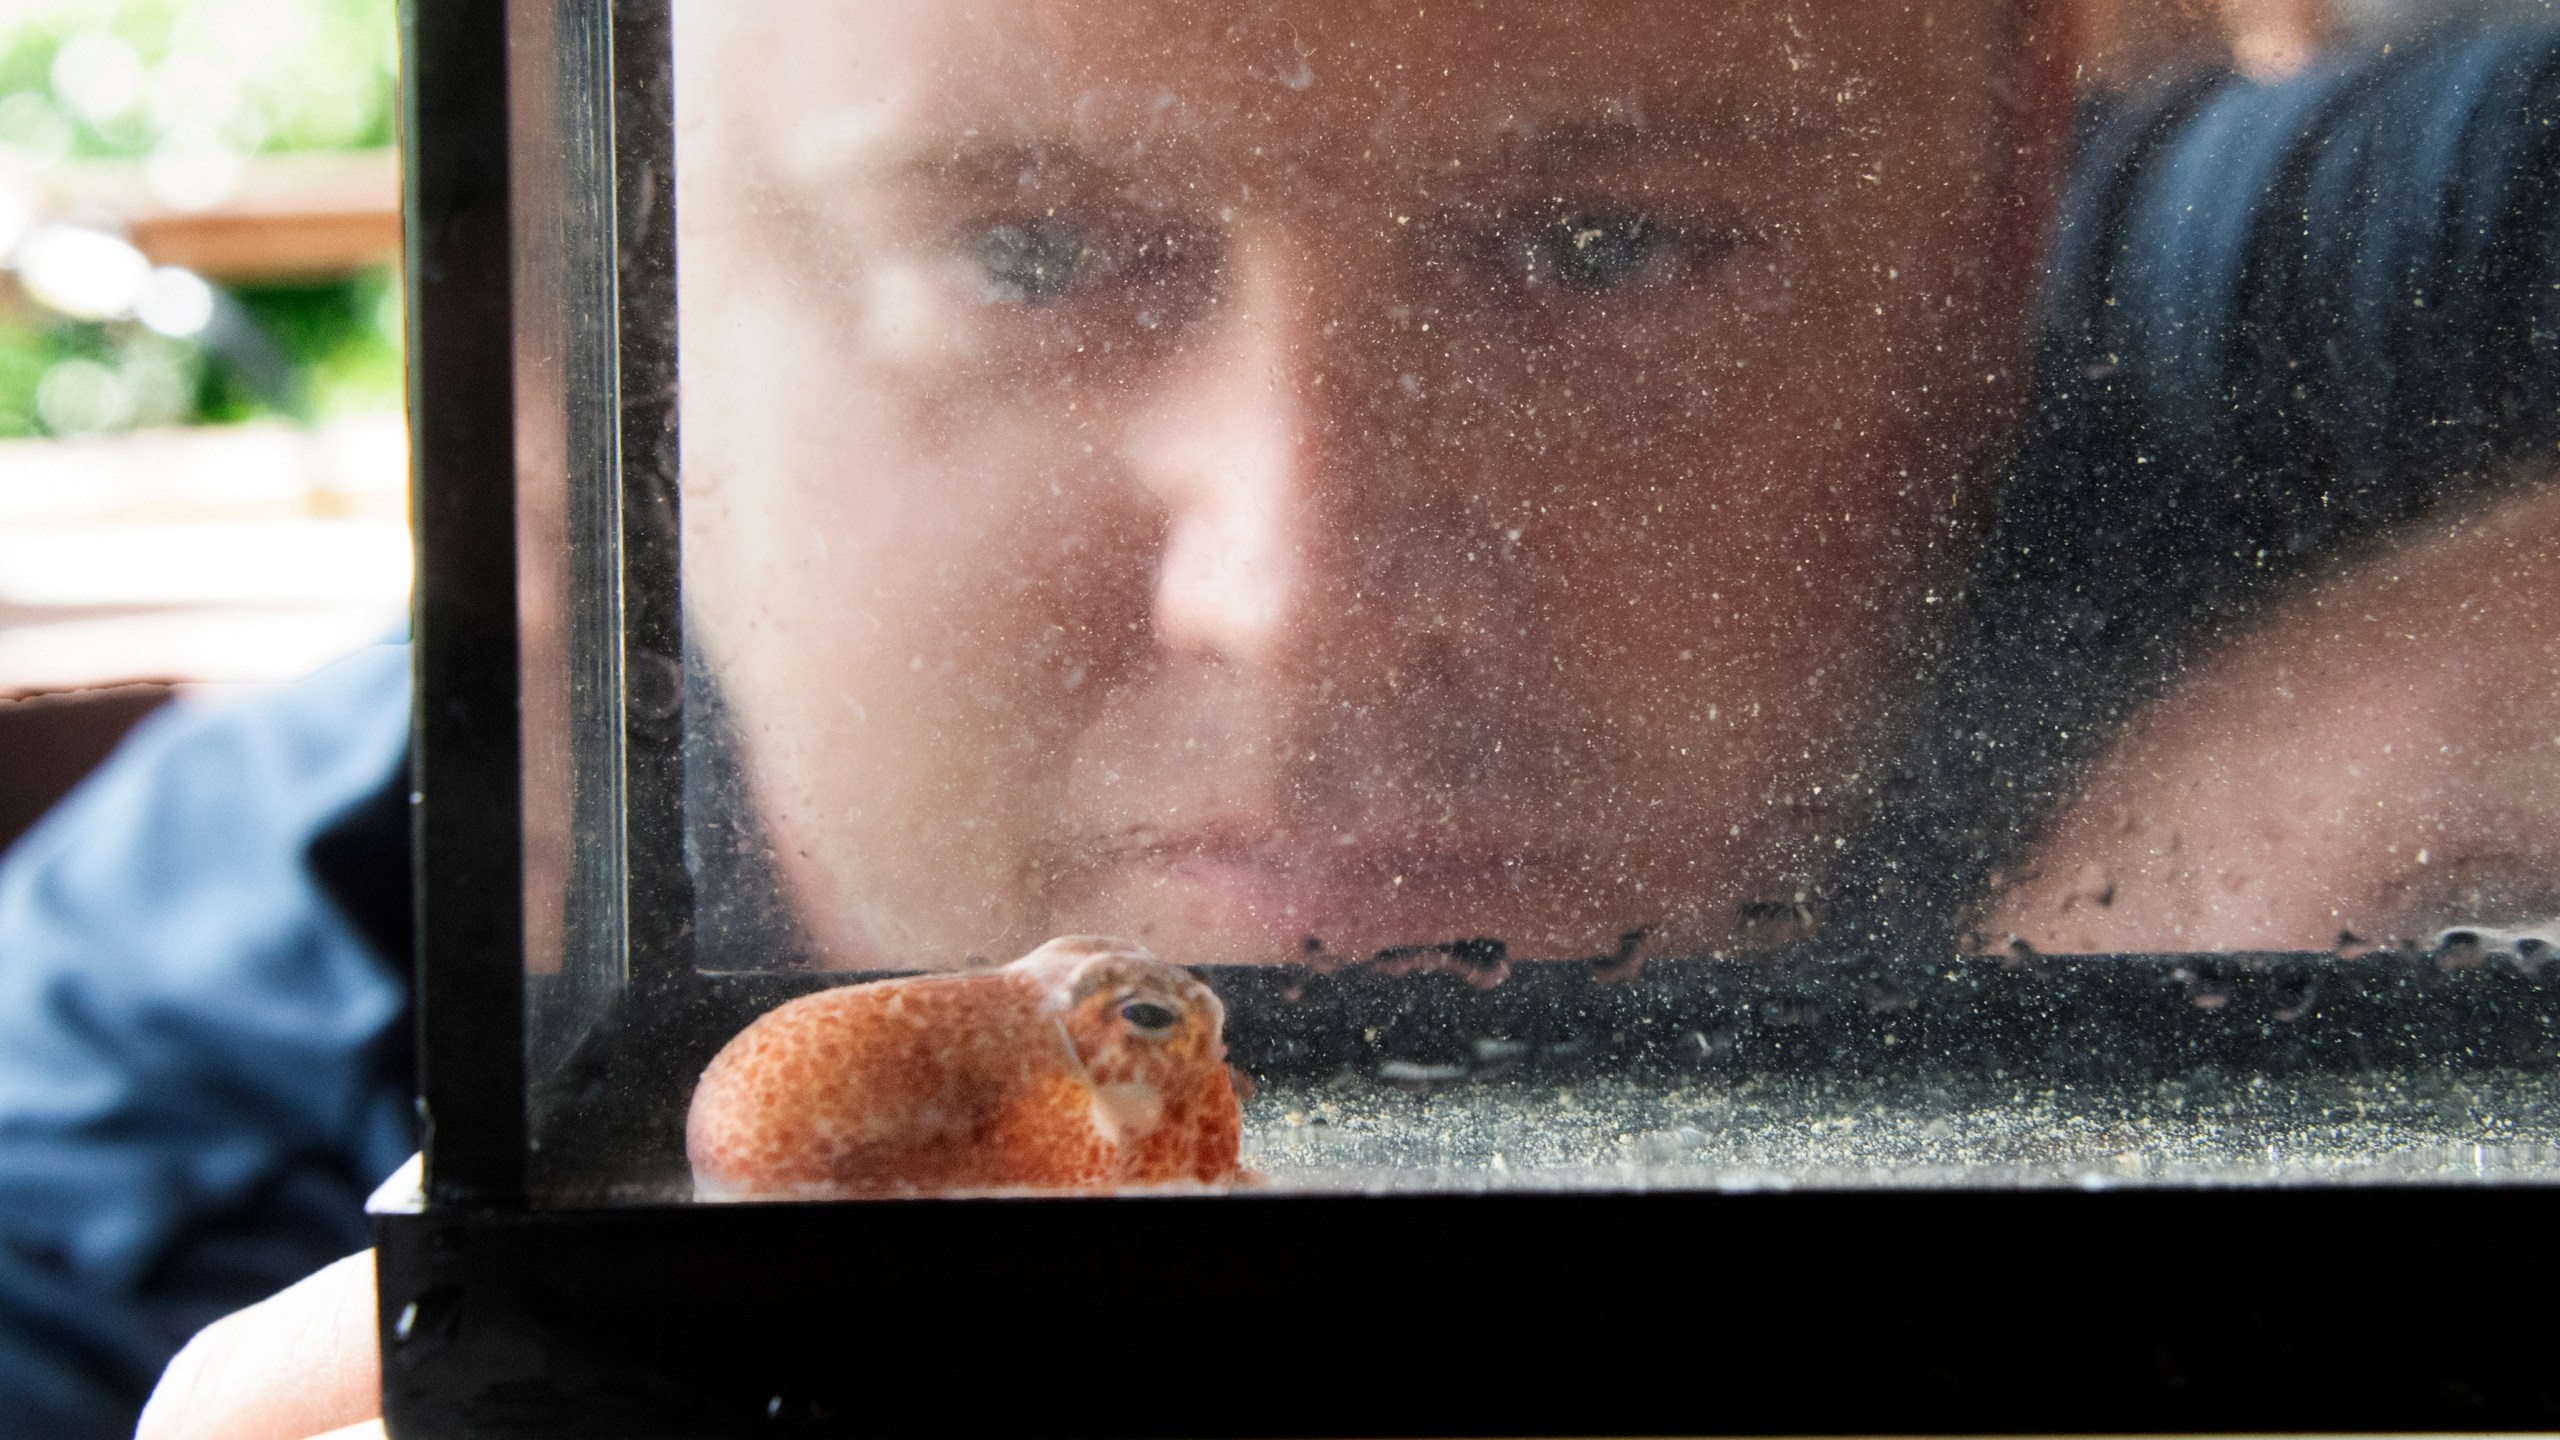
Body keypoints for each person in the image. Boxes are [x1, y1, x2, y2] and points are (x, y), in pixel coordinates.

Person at [13, 3, 2560, 1436]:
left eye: (1603, 242)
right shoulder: (278, 996)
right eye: (1020, 247)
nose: (1292, 592)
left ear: (2013, 202)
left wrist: (2288, 835)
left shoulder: (2263, 365)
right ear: (627, 300)